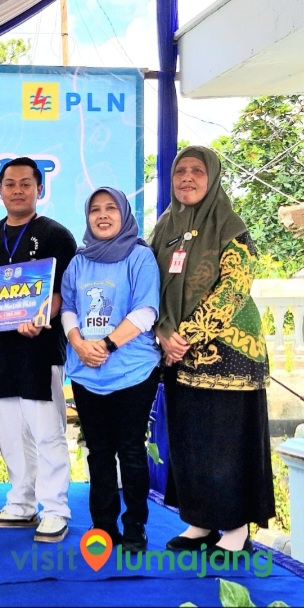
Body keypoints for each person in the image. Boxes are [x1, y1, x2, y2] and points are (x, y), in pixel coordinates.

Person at [151, 146, 274, 562]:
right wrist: (163, 333)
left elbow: (233, 290)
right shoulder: (164, 227)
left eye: (197, 171)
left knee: (227, 443)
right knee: (190, 441)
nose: (186, 178)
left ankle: (236, 529)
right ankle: (200, 522)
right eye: (180, 171)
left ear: (214, 177)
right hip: (177, 355)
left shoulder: (231, 227)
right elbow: (149, 283)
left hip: (229, 355)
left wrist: (184, 335)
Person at [0, 156, 76, 543]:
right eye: (9, 184)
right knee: (8, 431)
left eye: (25, 184)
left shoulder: (57, 235)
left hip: (39, 351)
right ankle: (21, 503)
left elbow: (64, 292)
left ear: (39, 189)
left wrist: (43, 316)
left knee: (47, 432)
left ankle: (55, 509)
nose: (17, 190)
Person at [60, 187, 161, 553]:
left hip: (133, 370)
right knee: (98, 451)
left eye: (110, 208)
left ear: (124, 214)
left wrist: (105, 345)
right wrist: (78, 343)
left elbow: (146, 311)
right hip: (87, 373)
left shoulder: (140, 256)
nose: (102, 215)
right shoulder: (78, 261)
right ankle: (103, 525)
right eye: (95, 210)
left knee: (131, 449)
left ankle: (134, 527)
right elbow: (67, 307)